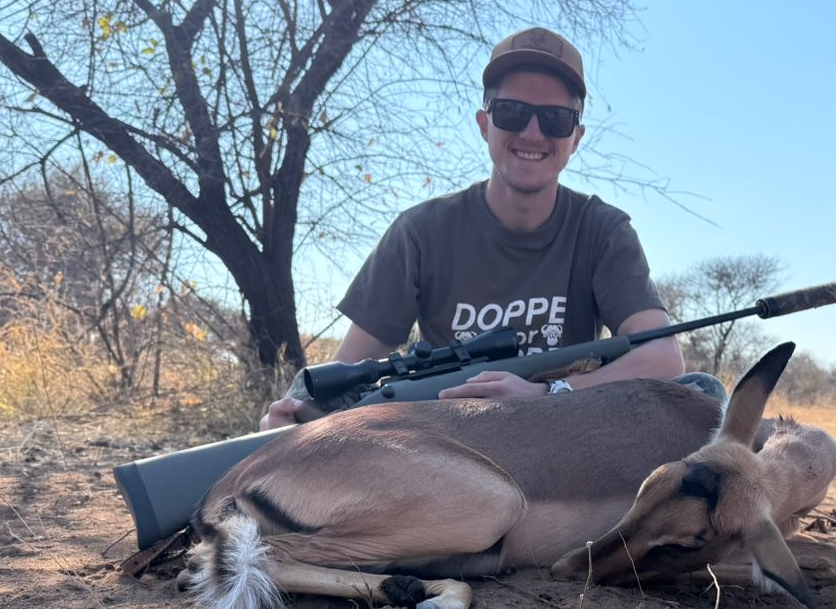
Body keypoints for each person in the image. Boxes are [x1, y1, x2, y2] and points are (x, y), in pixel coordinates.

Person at [259, 27, 685, 429]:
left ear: (576, 137)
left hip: (563, 438)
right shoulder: (418, 232)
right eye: (512, 112)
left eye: (555, 119)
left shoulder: (603, 229)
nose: (533, 133)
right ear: (484, 124)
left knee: (699, 392)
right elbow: (349, 368)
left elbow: (664, 356)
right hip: (444, 441)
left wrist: (550, 393)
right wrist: (293, 415)